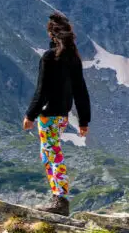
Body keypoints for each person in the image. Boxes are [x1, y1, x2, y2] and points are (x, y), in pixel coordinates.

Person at [22, 12, 90, 216]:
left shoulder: (50, 57)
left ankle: (60, 199)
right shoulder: (73, 58)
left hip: (48, 115)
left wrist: (30, 115)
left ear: (52, 35)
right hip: (62, 116)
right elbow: (81, 90)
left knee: (51, 153)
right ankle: (57, 196)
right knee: (49, 152)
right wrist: (84, 120)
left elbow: (42, 90)